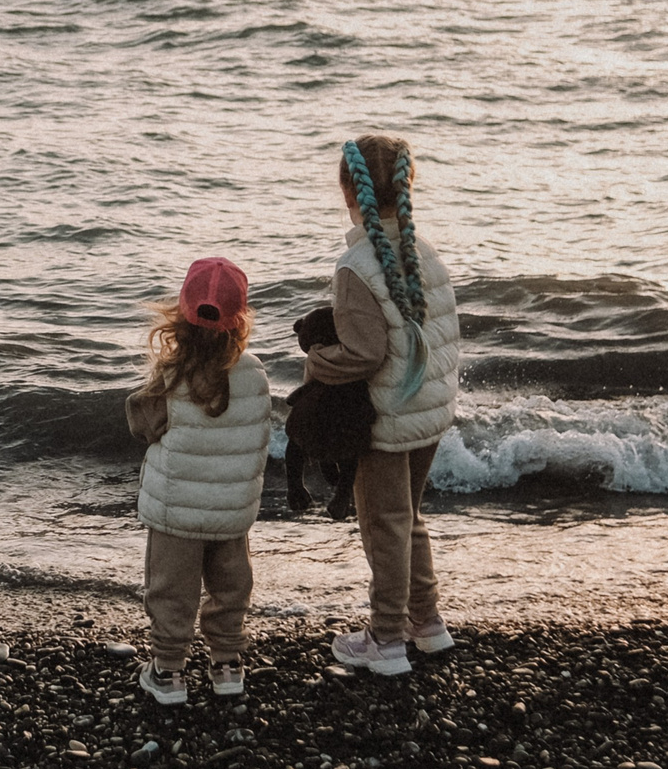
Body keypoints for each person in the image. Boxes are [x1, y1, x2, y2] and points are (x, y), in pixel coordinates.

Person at [302, 133, 463, 677]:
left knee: (383, 525)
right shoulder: (426, 253)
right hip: (429, 409)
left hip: (388, 417)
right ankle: (427, 622)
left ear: (348, 192)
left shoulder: (356, 266)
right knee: (408, 518)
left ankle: (387, 639)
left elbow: (364, 354)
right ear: (406, 185)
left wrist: (318, 361)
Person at [126, 256, 271, 705]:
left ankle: (169, 671)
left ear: (181, 317)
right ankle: (227, 664)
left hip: (176, 511)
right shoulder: (255, 373)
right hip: (232, 513)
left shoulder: (171, 375)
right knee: (231, 587)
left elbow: (143, 425)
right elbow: (259, 436)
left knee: (171, 591)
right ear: (239, 321)